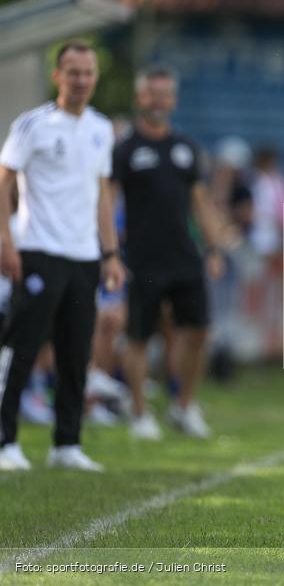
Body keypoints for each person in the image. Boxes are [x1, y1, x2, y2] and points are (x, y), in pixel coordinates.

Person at [0, 40, 125, 472]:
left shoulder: (100, 127)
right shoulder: (32, 124)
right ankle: (5, 442)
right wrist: (6, 240)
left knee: (75, 352)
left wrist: (110, 254)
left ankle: (66, 444)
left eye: (88, 73)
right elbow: (5, 179)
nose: (82, 80)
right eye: (73, 72)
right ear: (58, 75)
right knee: (23, 347)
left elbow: (102, 195)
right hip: (37, 250)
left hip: (84, 256)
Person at [112, 66, 225, 440]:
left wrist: (213, 247)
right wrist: (109, 252)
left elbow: (200, 201)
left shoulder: (185, 147)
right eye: (151, 94)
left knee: (199, 332)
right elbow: (108, 202)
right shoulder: (124, 149)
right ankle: (140, 414)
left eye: (164, 94)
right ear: (139, 98)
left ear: (173, 100)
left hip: (185, 257)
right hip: (141, 260)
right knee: (140, 337)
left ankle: (183, 407)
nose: (158, 101)